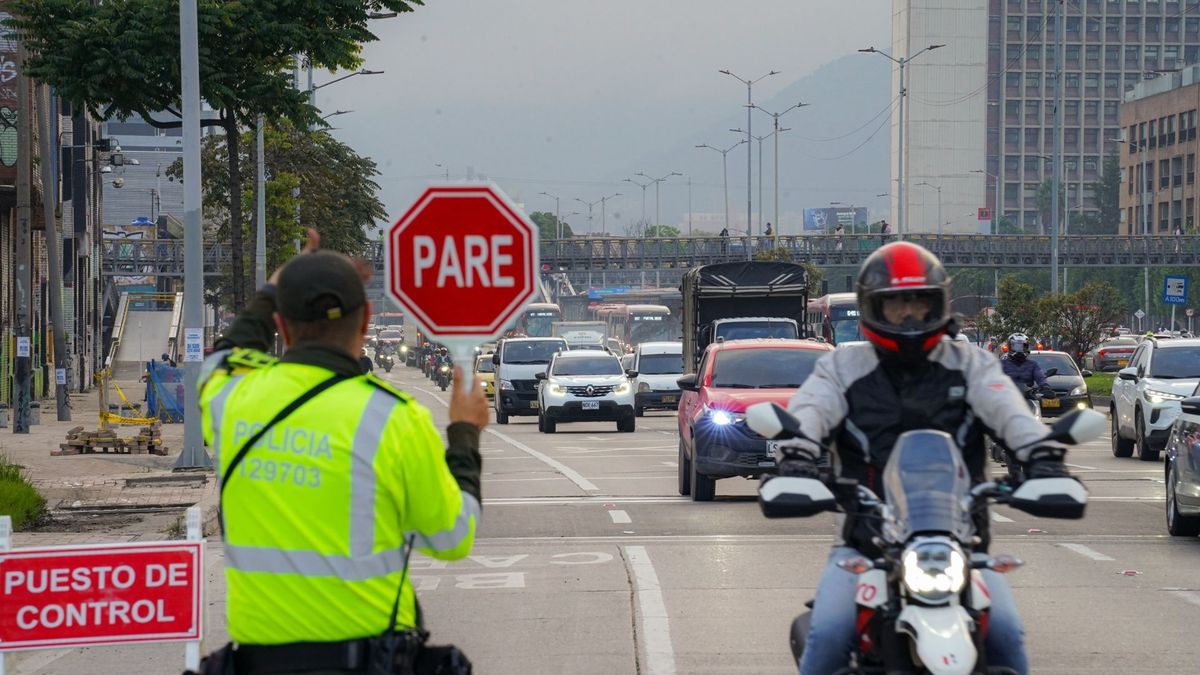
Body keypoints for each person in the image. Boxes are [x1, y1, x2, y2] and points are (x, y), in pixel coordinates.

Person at [196, 229, 486, 674]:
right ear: (367, 319)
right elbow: (453, 536)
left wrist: (274, 288)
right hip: (367, 661)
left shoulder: (231, 400)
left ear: (281, 325)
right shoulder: (394, 419)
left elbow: (226, 355)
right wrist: (465, 433)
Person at [782, 242, 1071, 675]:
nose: (909, 314)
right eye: (896, 303)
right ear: (873, 308)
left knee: (1006, 635)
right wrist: (798, 457)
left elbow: (1010, 413)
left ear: (938, 305)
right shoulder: (842, 368)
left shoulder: (970, 364)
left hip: (961, 546)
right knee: (828, 635)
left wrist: (1042, 456)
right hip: (867, 546)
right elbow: (811, 412)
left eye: (919, 302)